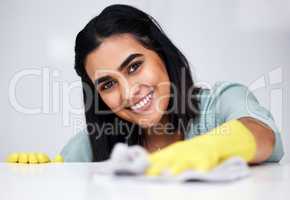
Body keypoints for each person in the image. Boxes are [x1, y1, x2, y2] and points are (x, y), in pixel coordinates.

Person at [7, 4, 284, 175]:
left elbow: (263, 134)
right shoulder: (93, 142)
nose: (128, 92)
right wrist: (36, 174)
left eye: (134, 66)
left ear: (161, 53)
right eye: (108, 84)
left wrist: (211, 146)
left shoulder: (220, 102)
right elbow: (59, 178)